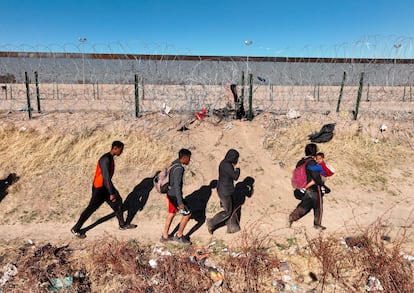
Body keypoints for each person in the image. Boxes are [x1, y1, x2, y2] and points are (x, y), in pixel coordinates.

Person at [71, 141, 136, 238]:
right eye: (121, 150)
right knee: (91, 208)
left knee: (118, 202)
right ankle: (75, 229)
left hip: (106, 186)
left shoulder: (110, 158)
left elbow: (107, 178)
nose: (121, 152)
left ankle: (122, 225)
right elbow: (106, 177)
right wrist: (111, 193)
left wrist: (111, 191)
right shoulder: (105, 159)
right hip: (100, 188)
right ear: (115, 148)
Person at [288, 143, 326, 230]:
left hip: (304, 187)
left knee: (305, 205)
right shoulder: (312, 162)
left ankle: (292, 217)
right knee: (318, 205)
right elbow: (315, 175)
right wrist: (321, 184)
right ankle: (317, 224)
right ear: (315, 152)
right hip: (313, 187)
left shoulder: (301, 161)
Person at [160, 148, 192, 245]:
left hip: (169, 193)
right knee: (187, 214)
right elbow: (177, 187)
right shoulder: (179, 169)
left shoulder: (174, 164)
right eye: (189, 158)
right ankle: (179, 236)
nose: (189, 161)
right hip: (175, 195)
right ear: (184, 158)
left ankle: (165, 236)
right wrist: (180, 202)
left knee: (172, 213)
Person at [207, 149, 240, 234]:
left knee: (232, 208)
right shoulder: (228, 166)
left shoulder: (223, 163)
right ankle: (211, 223)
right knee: (228, 211)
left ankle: (232, 227)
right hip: (225, 191)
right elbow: (235, 176)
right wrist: (238, 168)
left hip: (223, 189)